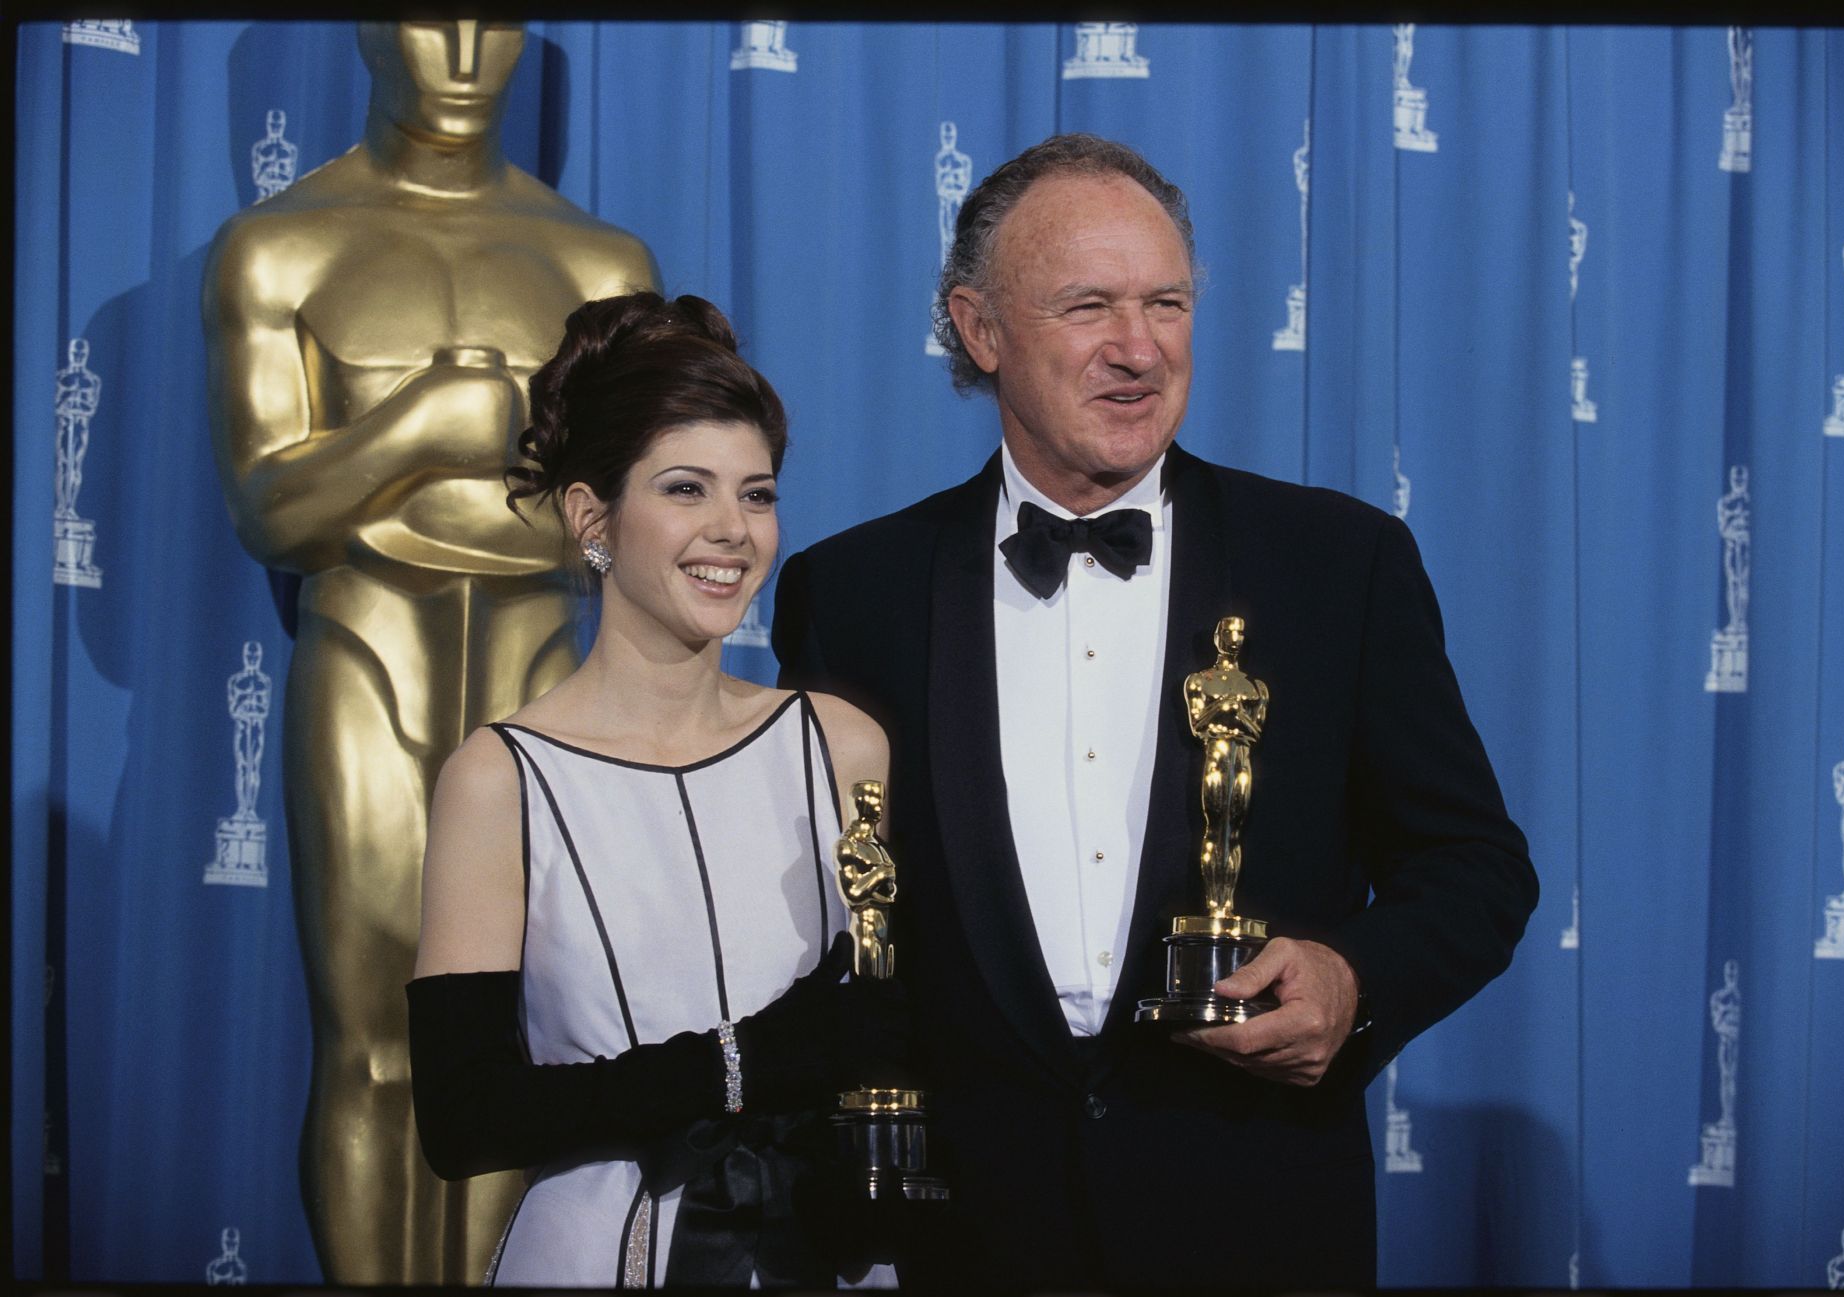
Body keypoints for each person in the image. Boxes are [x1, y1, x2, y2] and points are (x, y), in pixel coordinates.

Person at [772, 133, 1537, 1288]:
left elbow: (1476, 867)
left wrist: (1352, 978)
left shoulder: (1337, 564)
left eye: (1167, 302)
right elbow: (832, 928)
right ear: (980, 330)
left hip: (1258, 1227)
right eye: (1088, 307)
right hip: (967, 1245)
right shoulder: (855, 591)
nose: (1139, 349)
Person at [203, 21, 659, 1281]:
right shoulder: (281, 248)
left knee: (524, 1037)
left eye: (495, 19)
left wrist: (383, 480)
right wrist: (428, 424)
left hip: (543, 677)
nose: (461, 49)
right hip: (365, 658)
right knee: (369, 1048)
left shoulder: (599, 261)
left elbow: (629, 525)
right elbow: (271, 513)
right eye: (426, 13)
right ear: (364, 25)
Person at [407, 291, 906, 1287]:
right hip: (596, 1257)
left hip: (834, 1256)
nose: (734, 531)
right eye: (686, 489)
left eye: (758, 494)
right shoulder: (500, 780)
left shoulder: (842, 746)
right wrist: (739, 1064)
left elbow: (883, 1029)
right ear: (592, 516)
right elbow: (464, 1119)